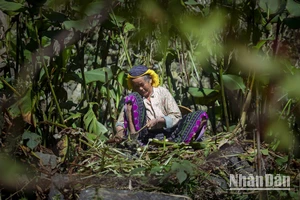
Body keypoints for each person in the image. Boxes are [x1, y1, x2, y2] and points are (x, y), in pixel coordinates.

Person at [112, 65, 208, 145]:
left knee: (200, 115)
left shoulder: (162, 92)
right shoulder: (132, 99)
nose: (140, 89)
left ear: (149, 80)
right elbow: (121, 123)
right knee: (133, 97)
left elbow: (176, 116)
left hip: (170, 133)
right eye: (136, 86)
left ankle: (176, 142)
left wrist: (159, 121)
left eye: (142, 84)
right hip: (145, 137)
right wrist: (119, 133)